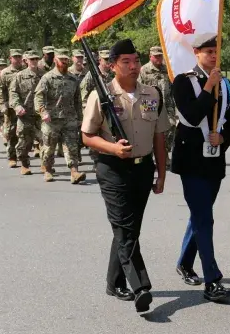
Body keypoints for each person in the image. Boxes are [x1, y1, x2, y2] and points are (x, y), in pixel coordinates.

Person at [81, 39, 169, 314]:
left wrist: (161, 175)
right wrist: (112, 148)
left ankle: (113, 282)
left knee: (128, 230)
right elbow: (87, 136)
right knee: (125, 227)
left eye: (135, 60)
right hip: (113, 169)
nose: (133, 66)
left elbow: (159, 137)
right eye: (125, 62)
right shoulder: (102, 95)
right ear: (112, 65)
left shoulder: (153, 94)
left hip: (143, 169)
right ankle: (140, 286)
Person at [171, 34, 230, 303]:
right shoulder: (183, 81)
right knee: (204, 218)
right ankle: (212, 280)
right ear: (196, 53)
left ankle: (185, 262)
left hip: (214, 159)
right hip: (191, 161)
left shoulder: (225, 84)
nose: (213, 56)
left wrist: (223, 138)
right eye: (208, 51)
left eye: (215, 51)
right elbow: (191, 115)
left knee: (201, 215)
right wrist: (209, 87)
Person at [35, 49, 85, 184]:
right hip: (52, 119)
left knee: (72, 145)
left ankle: (74, 171)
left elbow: (77, 100)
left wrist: (80, 118)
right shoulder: (48, 78)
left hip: (69, 118)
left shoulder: (73, 79)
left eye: (66, 60)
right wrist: (43, 112)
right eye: (61, 60)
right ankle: (48, 170)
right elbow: (39, 96)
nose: (64, 62)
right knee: (49, 147)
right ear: (56, 61)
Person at [9, 51, 43, 176]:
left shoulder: (44, 75)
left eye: (36, 59)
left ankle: (46, 164)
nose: (34, 61)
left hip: (41, 114)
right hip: (25, 114)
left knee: (46, 139)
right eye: (31, 59)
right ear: (26, 61)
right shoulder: (19, 76)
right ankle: (24, 164)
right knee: (24, 141)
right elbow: (13, 93)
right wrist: (17, 106)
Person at [81, 49, 115, 170]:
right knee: (94, 136)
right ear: (100, 60)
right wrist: (87, 111)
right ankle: (96, 161)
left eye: (110, 59)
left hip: (111, 110)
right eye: (105, 59)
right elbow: (84, 94)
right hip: (96, 109)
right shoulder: (92, 75)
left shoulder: (112, 73)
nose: (108, 62)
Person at [140, 45, 176, 155]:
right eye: (156, 56)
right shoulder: (144, 70)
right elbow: (139, 87)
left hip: (167, 102)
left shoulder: (167, 69)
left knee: (171, 126)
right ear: (150, 56)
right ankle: (150, 154)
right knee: (150, 129)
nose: (158, 59)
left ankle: (164, 153)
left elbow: (172, 84)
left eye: (160, 56)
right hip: (149, 103)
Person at [0, 50, 26, 168]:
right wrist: (2, 106)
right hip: (10, 108)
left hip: (25, 107)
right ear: (10, 58)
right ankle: (12, 157)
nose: (17, 59)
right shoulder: (5, 73)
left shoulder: (26, 70)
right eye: (15, 57)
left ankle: (23, 155)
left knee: (25, 133)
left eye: (19, 57)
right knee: (11, 132)